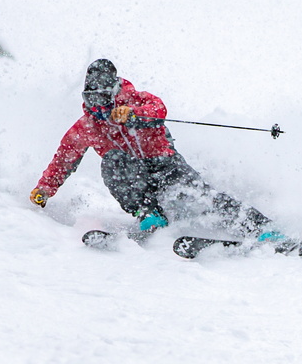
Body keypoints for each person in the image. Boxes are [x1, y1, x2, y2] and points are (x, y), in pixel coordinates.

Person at [29, 59, 281, 240]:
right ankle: (148, 213)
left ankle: (260, 228)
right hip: (134, 178)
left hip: (166, 165)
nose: (96, 105)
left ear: (114, 91)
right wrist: (44, 189)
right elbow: (64, 159)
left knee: (204, 196)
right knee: (112, 160)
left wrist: (133, 115)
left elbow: (158, 110)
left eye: (102, 98)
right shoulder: (87, 126)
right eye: (90, 98)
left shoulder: (138, 99)